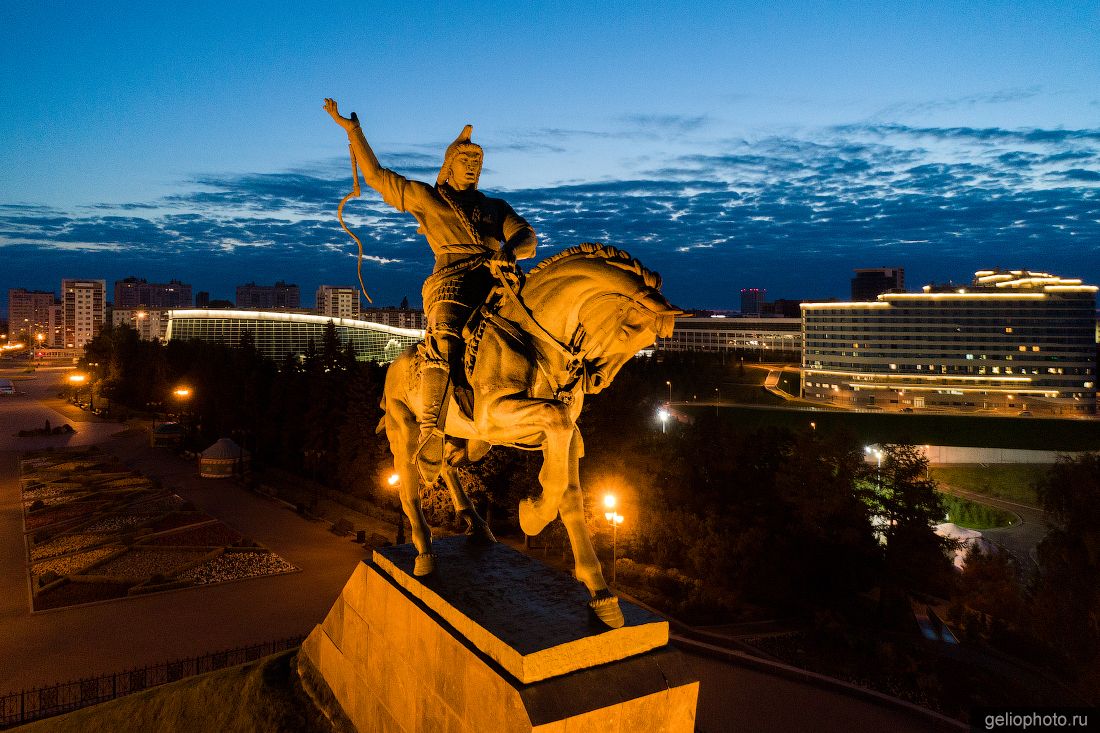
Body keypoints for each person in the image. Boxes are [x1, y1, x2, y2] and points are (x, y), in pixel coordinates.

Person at [324, 99, 537, 483]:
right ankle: (432, 430)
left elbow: (527, 238)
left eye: (478, 161)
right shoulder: (429, 199)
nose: (473, 166)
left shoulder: (495, 207)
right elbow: (376, 176)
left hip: (497, 281)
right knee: (446, 336)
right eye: (465, 160)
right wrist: (352, 131)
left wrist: (509, 250)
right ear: (449, 163)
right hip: (452, 283)